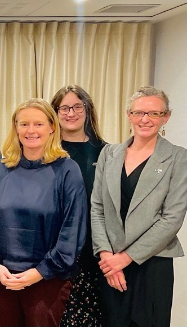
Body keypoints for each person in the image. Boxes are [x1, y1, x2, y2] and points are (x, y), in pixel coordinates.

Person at [0, 98, 87, 327]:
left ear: (52, 127)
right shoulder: (1, 169)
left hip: (47, 280)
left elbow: (72, 232)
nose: (30, 130)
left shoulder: (67, 170)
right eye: (24, 124)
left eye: (38, 124)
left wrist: (38, 273)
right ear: (15, 127)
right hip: (2, 278)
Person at [91, 86, 187, 327]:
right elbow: (97, 208)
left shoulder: (178, 158)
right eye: (139, 113)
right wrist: (107, 257)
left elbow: (171, 218)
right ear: (129, 115)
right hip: (110, 266)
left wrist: (125, 258)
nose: (145, 119)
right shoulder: (109, 153)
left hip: (152, 265)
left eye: (154, 114)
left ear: (166, 117)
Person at [49, 85, 106, 327]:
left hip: (92, 251)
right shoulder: (44, 152)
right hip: (52, 249)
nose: (70, 113)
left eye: (77, 107)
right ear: (55, 112)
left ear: (87, 109)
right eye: (64, 108)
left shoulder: (106, 152)